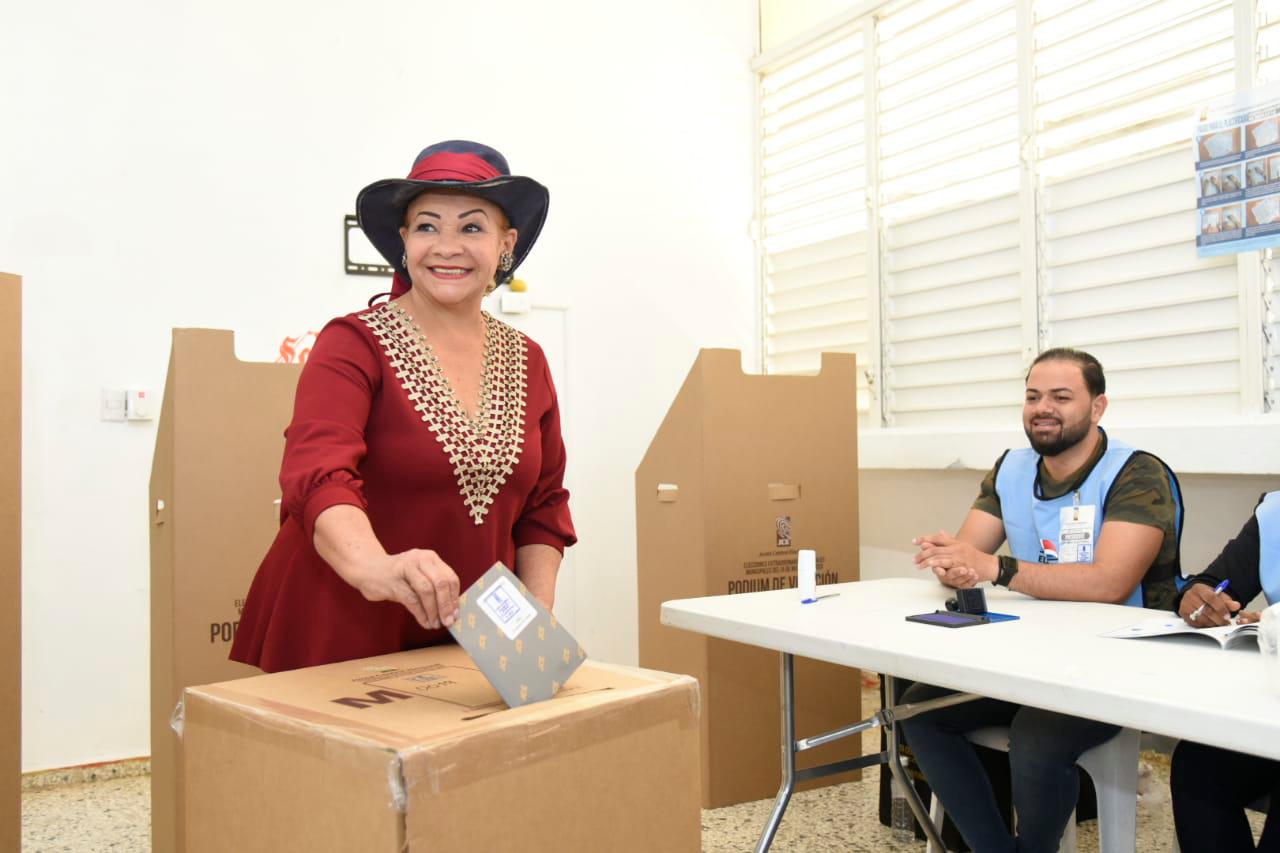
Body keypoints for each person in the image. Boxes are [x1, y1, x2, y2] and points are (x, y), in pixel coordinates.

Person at [230, 140, 575, 673]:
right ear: (404, 241)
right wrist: (376, 568)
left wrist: (532, 616)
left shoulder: (529, 360)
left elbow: (544, 506)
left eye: (472, 227)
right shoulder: (353, 343)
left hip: (474, 639)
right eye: (427, 226)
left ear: (507, 244)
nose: (447, 246)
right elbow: (319, 475)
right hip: (345, 620)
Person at [899, 348, 1184, 853]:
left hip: (1124, 661)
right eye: (1032, 396)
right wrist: (951, 562)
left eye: (1060, 396)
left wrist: (995, 569)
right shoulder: (1012, 469)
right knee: (920, 710)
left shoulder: (1138, 475)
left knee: (1036, 736)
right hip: (1034, 657)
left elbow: (1109, 583)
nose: (1042, 408)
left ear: (1098, 408)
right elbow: (972, 554)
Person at [1169, 494, 1280, 852]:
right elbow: (1215, 584)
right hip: (1270, 713)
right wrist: (1196, 597)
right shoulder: (1274, 514)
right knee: (1199, 765)